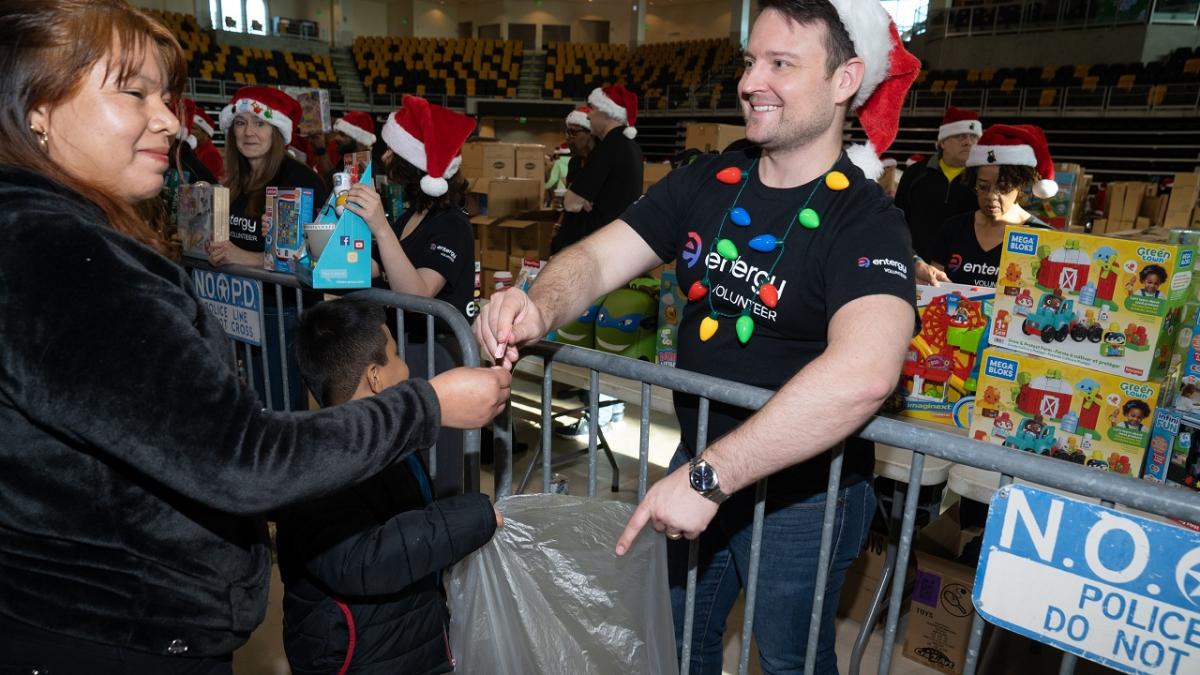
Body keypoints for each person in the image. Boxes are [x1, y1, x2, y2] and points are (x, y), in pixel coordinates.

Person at [0, 2, 511, 672]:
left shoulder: (49, 236)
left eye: (165, 95)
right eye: (134, 93)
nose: (168, 119)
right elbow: (244, 460)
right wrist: (431, 405)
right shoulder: (61, 256)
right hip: (114, 633)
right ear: (37, 108)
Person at [476, 1, 920, 672]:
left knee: (788, 659)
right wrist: (537, 306)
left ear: (844, 79)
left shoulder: (866, 219)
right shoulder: (708, 179)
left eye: (781, 64)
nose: (750, 82)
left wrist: (711, 477)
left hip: (806, 495)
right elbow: (598, 257)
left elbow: (865, 372)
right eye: (749, 62)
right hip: (701, 460)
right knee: (680, 638)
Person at [278, 298, 502, 675]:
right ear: (375, 377)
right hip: (358, 655)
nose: (407, 367)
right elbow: (368, 558)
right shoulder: (318, 469)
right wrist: (477, 516)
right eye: (396, 355)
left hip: (402, 637)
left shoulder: (389, 445)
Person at [207, 85, 329, 268]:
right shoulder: (233, 181)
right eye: (240, 123)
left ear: (277, 131)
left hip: (282, 295)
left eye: (259, 123)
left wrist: (246, 258)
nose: (248, 132)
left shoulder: (301, 182)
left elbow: (318, 257)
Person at [930, 124, 1056, 288]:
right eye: (983, 187)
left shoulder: (1042, 236)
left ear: (1020, 186)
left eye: (1003, 188)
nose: (990, 196)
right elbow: (932, 287)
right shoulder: (954, 229)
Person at [554, 86, 643, 253]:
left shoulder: (609, 147)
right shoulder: (631, 146)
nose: (589, 115)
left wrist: (579, 198)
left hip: (598, 245)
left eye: (593, 109)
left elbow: (571, 202)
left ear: (606, 112)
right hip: (616, 241)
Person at [893, 106, 981, 261]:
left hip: (963, 266)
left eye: (973, 136)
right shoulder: (915, 174)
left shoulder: (982, 179)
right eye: (960, 136)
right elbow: (898, 217)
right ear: (943, 142)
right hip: (915, 261)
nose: (968, 142)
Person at [313, 110, 378, 187]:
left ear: (359, 139)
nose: (336, 138)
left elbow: (339, 190)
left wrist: (321, 150)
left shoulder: (362, 160)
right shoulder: (352, 158)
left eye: (342, 135)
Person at [181, 97, 223, 180]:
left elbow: (211, 181)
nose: (190, 131)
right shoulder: (197, 149)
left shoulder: (210, 153)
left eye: (193, 128)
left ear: (206, 133)